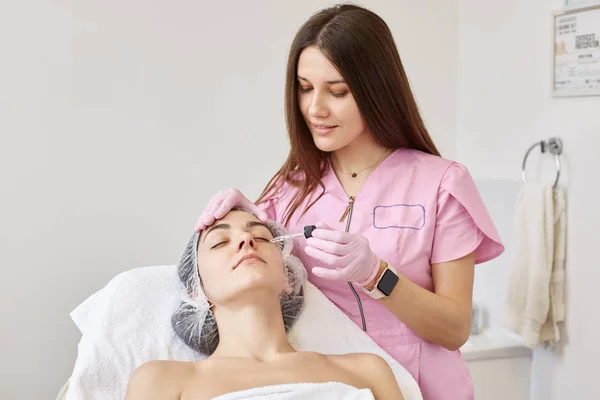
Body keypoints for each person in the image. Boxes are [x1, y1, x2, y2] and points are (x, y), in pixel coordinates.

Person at [195, 4, 504, 399]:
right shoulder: (289, 190)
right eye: (304, 88)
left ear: (376, 89)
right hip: (335, 391)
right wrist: (244, 219)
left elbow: (455, 328)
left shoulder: (441, 184)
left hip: (429, 390)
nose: (314, 109)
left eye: (337, 91)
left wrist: (378, 275)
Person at [125, 208, 405, 400]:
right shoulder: (160, 381)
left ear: (288, 278)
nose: (246, 239)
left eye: (260, 237)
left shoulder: (366, 370)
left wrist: (378, 274)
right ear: (197, 290)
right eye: (220, 242)